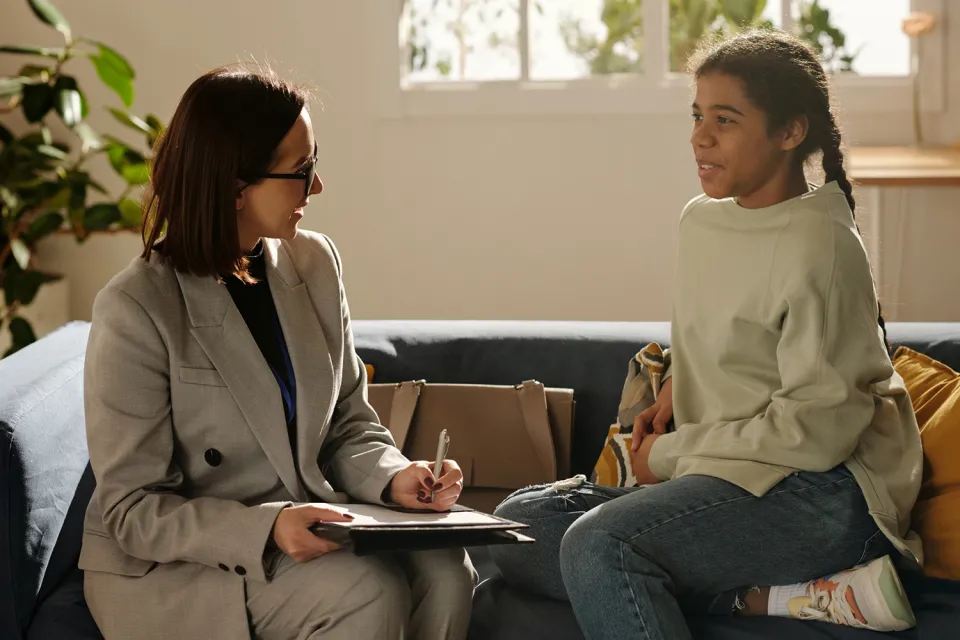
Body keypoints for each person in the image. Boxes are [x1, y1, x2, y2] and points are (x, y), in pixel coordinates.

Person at [490, 31, 923, 640]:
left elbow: (818, 433)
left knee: (598, 545)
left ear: (790, 131)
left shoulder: (820, 244)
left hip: (824, 494)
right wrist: (681, 390)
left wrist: (666, 455)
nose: (700, 137)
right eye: (697, 116)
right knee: (514, 525)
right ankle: (767, 598)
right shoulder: (702, 221)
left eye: (725, 119)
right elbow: (728, 339)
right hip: (731, 474)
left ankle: (776, 583)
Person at [79, 64, 476, 640]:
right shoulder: (136, 308)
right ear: (234, 186)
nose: (317, 188)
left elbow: (346, 425)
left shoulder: (313, 263)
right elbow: (131, 511)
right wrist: (266, 529)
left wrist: (396, 478)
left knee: (447, 568)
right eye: (301, 171)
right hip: (182, 568)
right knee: (369, 592)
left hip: (308, 529)